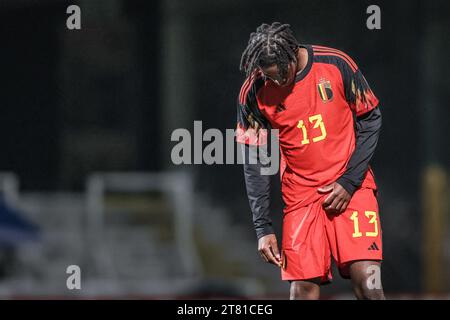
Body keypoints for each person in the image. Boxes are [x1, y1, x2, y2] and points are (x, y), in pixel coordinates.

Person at [236, 22, 384, 300]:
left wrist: (349, 181)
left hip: (350, 185)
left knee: (368, 279)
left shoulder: (336, 63)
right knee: (302, 289)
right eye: (270, 78)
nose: (277, 82)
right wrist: (262, 228)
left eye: (282, 74)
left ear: (294, 54)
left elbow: (371, 117)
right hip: (301, 196)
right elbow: (253, 158)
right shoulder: (253, 91)